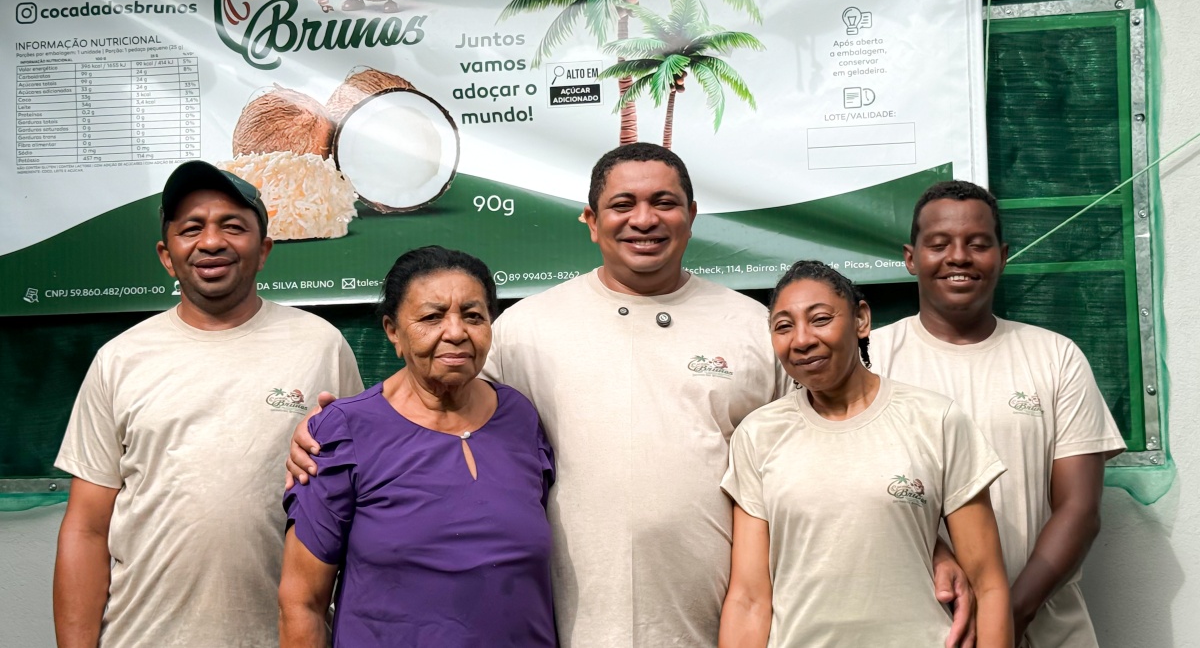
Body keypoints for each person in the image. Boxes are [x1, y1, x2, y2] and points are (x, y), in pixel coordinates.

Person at [288, 143, 975, 647]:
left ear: (692, 216)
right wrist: (335, 431)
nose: (643, 218)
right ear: (591, 221)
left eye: (663, 202)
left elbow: (821, 446)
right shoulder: (526, 329)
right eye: (622, 204)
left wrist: (928, 539)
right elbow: (435, 400)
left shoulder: (753, 327)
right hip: (568, 626)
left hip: (721, 622)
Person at [52, 160, 363, 648]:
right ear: (166, 255)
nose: (212, 241)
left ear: (264, 250)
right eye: (191, 228)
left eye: (233, 226)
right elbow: (86, 529)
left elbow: (357, 508)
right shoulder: (119, 360)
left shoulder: (321, 346)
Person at [870, 180, 1126, 647]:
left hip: (1043, 627)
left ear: (1002, 256)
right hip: (918, 629)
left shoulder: (1056, 358)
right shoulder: (871, 360)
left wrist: (1006, 617)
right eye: (939, 244)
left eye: (978, 244)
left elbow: (1080, 510)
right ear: (911, 258)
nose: (959, 257)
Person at [719, 260, 1012, 648]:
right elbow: (749, 599)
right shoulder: (758, 435)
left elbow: (988, 586)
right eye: (783, 326)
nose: (802, 340)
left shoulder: (936, 420)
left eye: (820, 319)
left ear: (861, 319)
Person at [278, 246, 556, 647]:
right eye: (431, 317)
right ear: (393, 331)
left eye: (473, 316)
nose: (456, 332)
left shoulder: (520, 417)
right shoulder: (343, 432)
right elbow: (301, 603)